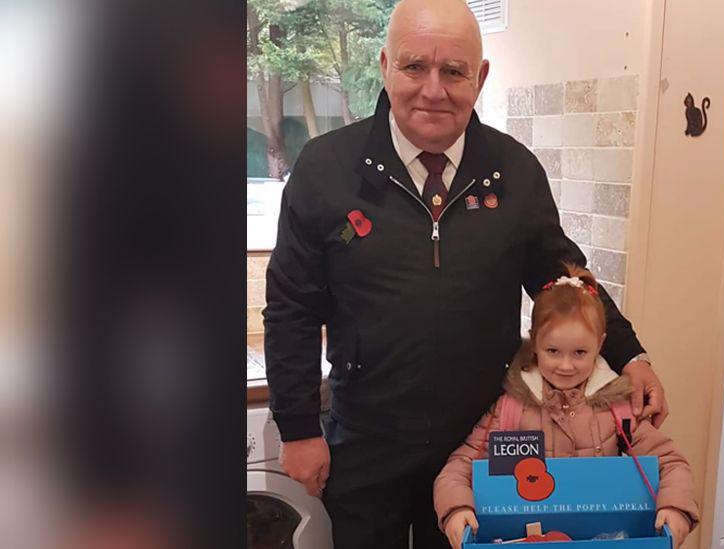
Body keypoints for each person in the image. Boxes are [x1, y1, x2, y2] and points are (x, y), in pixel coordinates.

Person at [263, 1, 669, 547]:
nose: (434, 89)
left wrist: (631, 355)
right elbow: (291, 308)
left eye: (453, 71)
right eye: (415, 67)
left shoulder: (515, 171)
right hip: (365, 441)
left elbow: (564, 279)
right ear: (385, 65)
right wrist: (298, 427)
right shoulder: (325, 169)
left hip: (484, 441)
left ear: (479, 78)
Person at [433, 265, 700, 548]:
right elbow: (460, 465)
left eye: (580, 352)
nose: (566, 365)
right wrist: (457, 509)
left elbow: (669, 462)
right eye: (553, 351)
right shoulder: (511, 409)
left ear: (600, 345)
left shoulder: (617, 410)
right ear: (535, 342)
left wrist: (675, 508)